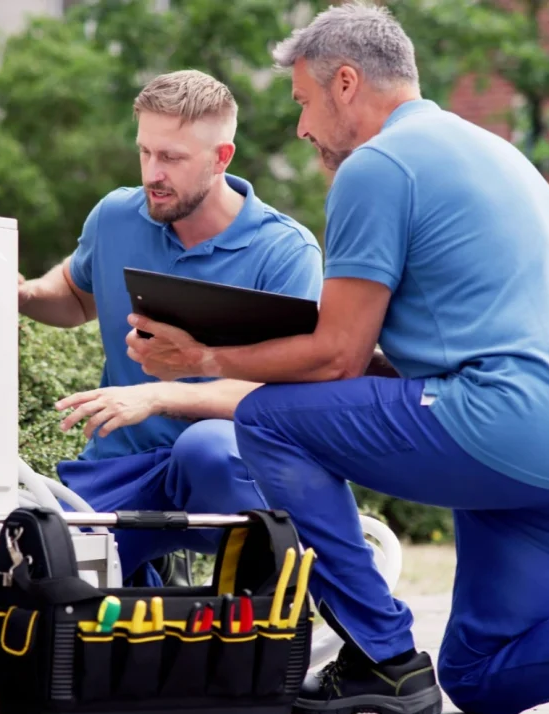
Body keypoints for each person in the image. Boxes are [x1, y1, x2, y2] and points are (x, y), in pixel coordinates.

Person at [124, 1, 549, 714]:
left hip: (503, 426)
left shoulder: (378, 165)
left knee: (269, 419)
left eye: (305, 102)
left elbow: (337, 358)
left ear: (347, 83)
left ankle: (385, 655)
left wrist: (203, 357)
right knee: (480, 673)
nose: (304, 126)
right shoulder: (491, 148)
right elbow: (391, 356)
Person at [18, 69, 323, 586]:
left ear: (221, 158)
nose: (152, 173)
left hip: (228, 464)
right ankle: (150, 586)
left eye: (172, 158)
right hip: (122, 463)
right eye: (146, 153)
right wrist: (18, 294)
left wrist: (158, 398)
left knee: (203, 450)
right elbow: (73, 297)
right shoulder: (115, 217)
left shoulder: (285, 252)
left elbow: (288, 393)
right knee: (46, 571)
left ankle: (278, 597)